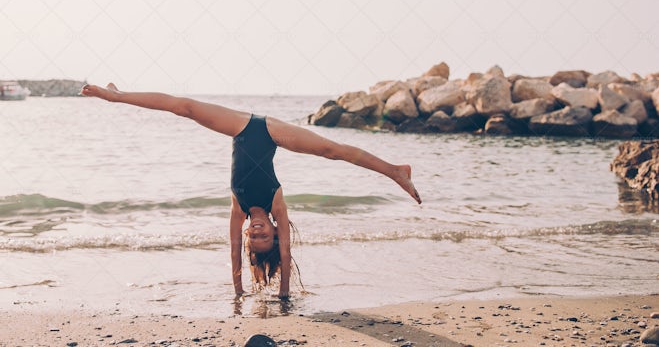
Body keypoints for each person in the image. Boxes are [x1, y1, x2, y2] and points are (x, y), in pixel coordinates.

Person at [81, 83, 421, 299]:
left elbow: (233, 255)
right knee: (330, 150)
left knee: (183, 107)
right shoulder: (278, 205)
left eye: (253, 239)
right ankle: (394, 171)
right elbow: (286, 256)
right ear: (274, 231)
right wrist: (284, 295)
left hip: (241, 128)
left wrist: (238, 294)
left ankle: (116, 96)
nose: (257, 233)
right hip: (269, 130)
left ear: (248, 235)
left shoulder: (237, 208)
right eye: (265, 238)